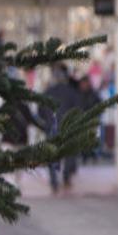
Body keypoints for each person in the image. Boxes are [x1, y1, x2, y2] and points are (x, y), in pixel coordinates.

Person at [40, 64, 83, 194]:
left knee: (52, 156)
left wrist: (47, 120)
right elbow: (78, 109)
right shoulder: (71, 92)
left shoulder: (47, 92)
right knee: (69, 154)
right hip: (67, 127)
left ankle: (54, 182)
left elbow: (40, 109)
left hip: (51, 127)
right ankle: (65, 176)